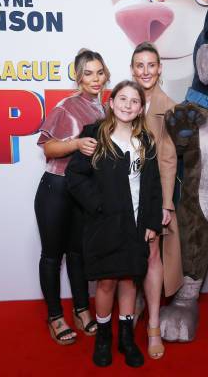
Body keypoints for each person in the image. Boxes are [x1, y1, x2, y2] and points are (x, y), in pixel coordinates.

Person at [66, 80, 163, 368]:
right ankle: (104, 337)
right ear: (111, 102)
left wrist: (151, 222)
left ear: (141, 108)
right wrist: (98, 205)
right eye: (122, 99)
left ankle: (126, 338)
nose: (127, 105)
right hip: (104, 225)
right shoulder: (94, 136)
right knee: (107, 281)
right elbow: (75, 177)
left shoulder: (145, 140)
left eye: (134, 101)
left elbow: (154, 185)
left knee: (129, 280)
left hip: (135, 224)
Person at [34, 49, 108, 345]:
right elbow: (48, 148)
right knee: (52, 256)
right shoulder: (67, 106)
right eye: (88, 73)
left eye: (100, 72)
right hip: (57, 188)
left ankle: (81, 310)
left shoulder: (103, 109)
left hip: (82, 190)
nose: (95, 78)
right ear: (78, 77)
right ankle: (55, 316)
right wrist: (76, 143)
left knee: (79, 254)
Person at [129, 42, 183, 359]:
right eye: (140, 65)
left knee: (151, 257)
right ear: (132, 69)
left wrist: (165, 204)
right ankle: (131, 311)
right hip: (123, 197)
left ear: (160, 68)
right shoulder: (122, 102)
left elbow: (168, 160)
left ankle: (153, 326)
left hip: (151, 197)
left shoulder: (171, 108)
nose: (146, 71)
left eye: (151, 65)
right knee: (127, 257)